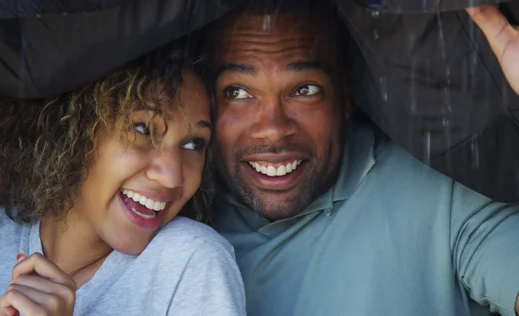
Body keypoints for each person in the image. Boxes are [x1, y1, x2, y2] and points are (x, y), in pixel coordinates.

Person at [210, 1, 519, 316]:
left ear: (345, 96)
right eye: (238, 93)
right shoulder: (181, 213)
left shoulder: (441, 193)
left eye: (304, 90)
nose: (273, 129)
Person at [0, 44, 246, 315]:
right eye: (143, 129)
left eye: (194, 144)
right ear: (72, 129)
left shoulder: (190, 262)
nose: (173, 175)